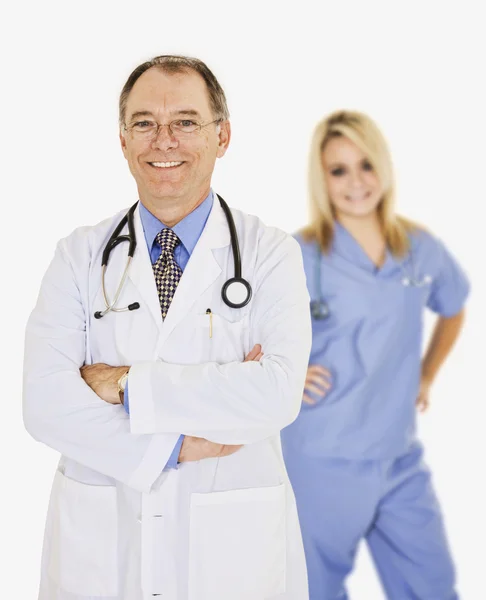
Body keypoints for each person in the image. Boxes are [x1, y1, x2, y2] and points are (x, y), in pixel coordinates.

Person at [23, 55, 312, 600]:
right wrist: (177, 445)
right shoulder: (78, 256)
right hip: (101, 553)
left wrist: (124, 383)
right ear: (123, 140)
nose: (164, 141)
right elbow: (44, 404)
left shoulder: (270, 255)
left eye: (185, 121)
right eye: (144, 123)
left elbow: (275, 395)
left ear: (221, 136)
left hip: (233, 555)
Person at [281, 110, 469, 600]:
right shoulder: (300, 254)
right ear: (321, 180)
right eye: (338, 170)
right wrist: (287, 373)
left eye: (366, 164)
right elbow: (244, 334)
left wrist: (427, 375)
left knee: (433, 586)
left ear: (384, 166)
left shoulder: (419, 247)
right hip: (323, 455)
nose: (356, 182)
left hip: (399, 454)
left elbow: (453, 307)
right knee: (315, 590)